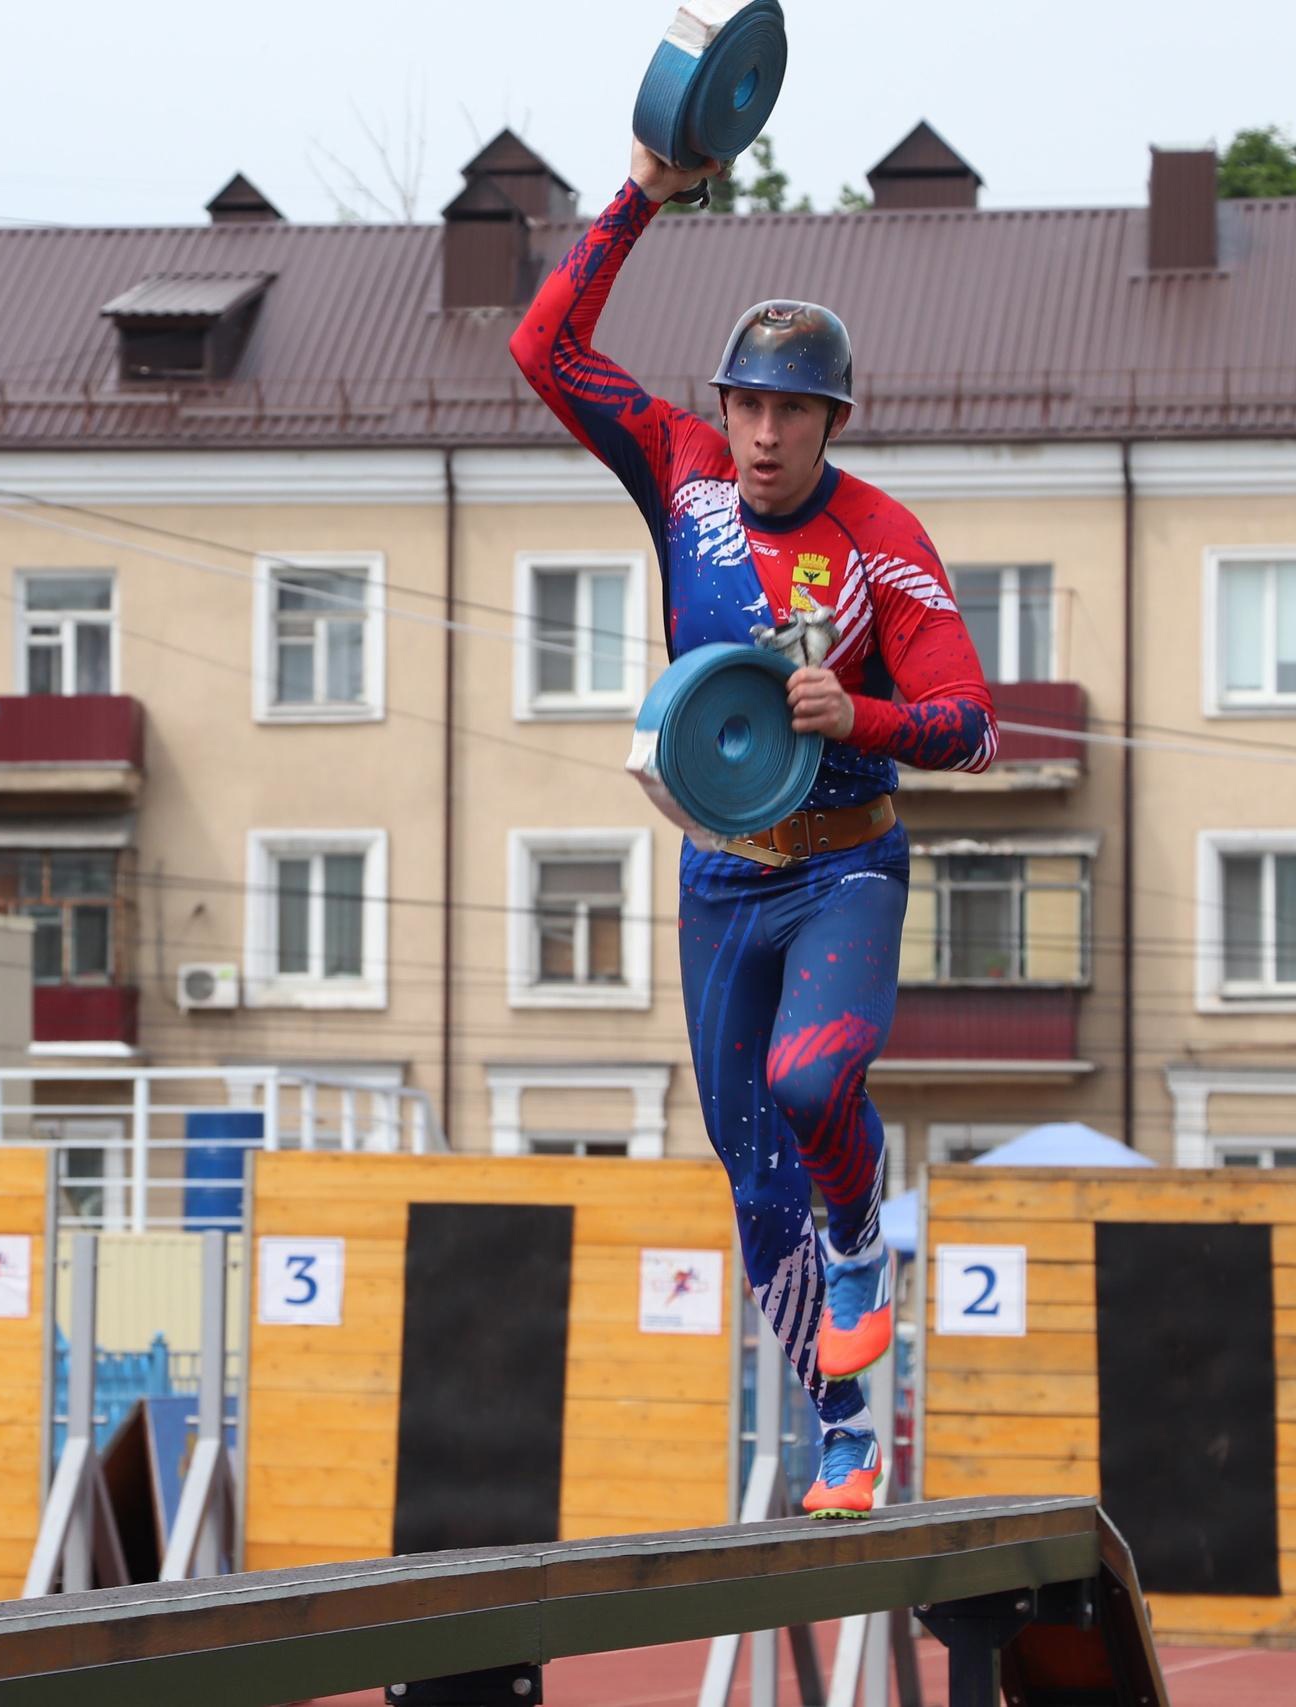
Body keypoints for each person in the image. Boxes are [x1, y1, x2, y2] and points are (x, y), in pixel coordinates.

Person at [511, 142, 998, 1518]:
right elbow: (545, 348)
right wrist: (644, 191)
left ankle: (863, 1236)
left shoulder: (884, 542)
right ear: (720, 406)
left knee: (810, 1080)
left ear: (833, 420)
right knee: (748, 1169)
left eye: (793, 411)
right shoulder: (681, 470)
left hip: (846, 866)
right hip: (721, 875)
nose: (765, 434)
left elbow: (974, 726)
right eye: (747, 404)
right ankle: (841, 1430)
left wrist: (862, 714)